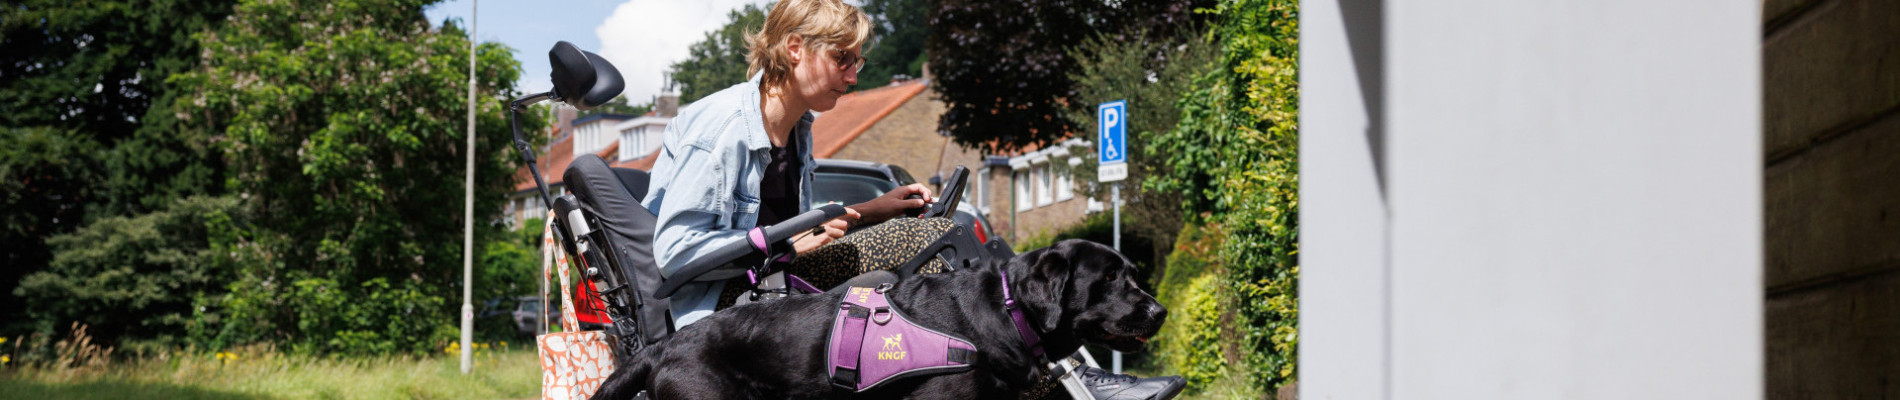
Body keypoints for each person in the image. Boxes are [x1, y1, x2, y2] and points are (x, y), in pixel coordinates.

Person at [640, 1, 1184, 399]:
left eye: (857, 62)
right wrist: (786, 245)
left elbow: (799, 229)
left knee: (933, 235)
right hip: (726, 304)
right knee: (934, 243)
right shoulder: (721, 129)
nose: (854, 77)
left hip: (777, 275)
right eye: (843, 60)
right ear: (795, 48)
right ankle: (1062, 382)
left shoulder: (798, 125)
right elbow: (680, 254)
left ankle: (1052, 373)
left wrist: (877, 210)